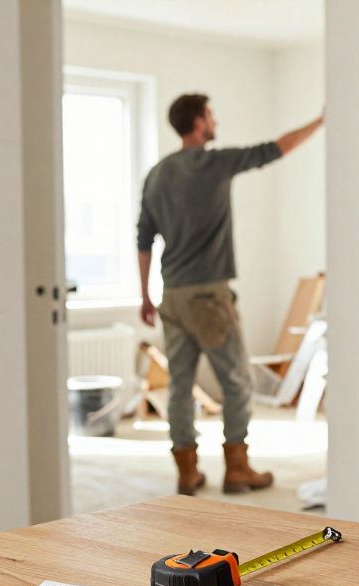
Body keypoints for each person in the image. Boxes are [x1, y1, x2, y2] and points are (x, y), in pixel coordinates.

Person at [137, 94, 323, 496]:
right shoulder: (212, 163)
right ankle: (237, 470)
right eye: (211, 114)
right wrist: (320, 121)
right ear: (199, 123)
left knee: (180, 386)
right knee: (236, 381)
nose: (215, 120)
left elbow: (143, 238)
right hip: (208, 297)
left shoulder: (156, 174)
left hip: (171, 296)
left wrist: (145, 295)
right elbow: (274, 150)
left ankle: (187, 472)